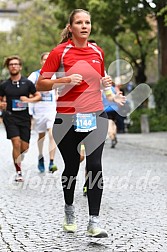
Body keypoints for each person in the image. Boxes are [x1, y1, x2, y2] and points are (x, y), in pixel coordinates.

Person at [36, 9, 126, 238]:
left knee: (95, 166)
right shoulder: (60, 52)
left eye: (87, 22)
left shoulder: (98, 51)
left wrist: (110, 90)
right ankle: (69, 210)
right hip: (66, 118)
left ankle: (94, 221)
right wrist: (64, 79)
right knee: (72, 168)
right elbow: (41, 84)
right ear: (71, 27)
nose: (84, 26)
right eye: (79, 22)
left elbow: (101, 79)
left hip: (95, 115)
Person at [0, 55, 41, 182]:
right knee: (16, 142)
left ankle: (19, 156)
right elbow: (0, 99)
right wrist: (1, 105)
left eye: (16, 64)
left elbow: (38, 96)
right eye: (11, 64)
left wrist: (28, 100)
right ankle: (18, 172)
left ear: (20, 67)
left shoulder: (27, 83)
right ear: (8, 67)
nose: (14, 66)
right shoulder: (4, 85)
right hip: (10, 117)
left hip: (24, 118)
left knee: (25, 147)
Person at [28, 52, 58, 173]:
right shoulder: (35, 75)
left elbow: (60, 89)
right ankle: (40, 156)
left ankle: (51, 162)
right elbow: (27, 89)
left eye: (49, 59)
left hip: (52, 110)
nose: (47, 61)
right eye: (45, 59)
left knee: (52, 134)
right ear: (41, 61)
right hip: (39, 111)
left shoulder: (55, 75)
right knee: (41, 137)